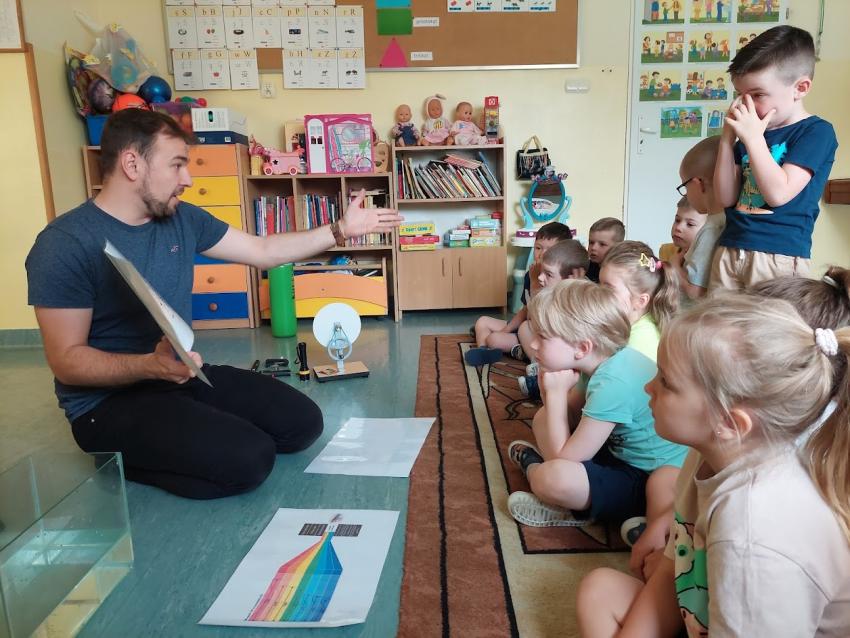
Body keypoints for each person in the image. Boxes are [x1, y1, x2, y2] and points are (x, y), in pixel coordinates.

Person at [25, 109, 402, 500]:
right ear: (132, 164)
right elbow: (66, 361)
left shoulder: (181, 218)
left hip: (180, 376)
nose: (187, 179)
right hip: (105, 406)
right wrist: (149, 366)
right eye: (176, 165)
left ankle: (187, 430)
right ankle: (118, 459)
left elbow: (263, 250)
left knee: (302, 424)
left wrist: (340, 230)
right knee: (251, 460)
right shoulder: (64, 244)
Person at [576, 294, 850, 637]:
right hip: (712, 606)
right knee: (600, 591)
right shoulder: (709, 452)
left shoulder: (753, 536)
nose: (648, 387)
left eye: (666, 382)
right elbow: (675, 563)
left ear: (729, 423)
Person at [505, 280, 688, 528]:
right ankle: (562, 491)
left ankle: (536, 473)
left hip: (650, 482)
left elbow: (565, 460)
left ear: (582, 348)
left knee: (552, 478)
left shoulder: (613, 383)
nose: (533, 344)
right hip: (618, 454)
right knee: (542, 419)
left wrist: (556, 395)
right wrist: (551, 394)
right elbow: (569, 416)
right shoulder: (599, 361)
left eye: (543, 337)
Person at [711, 25, 838, 291]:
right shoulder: (752, 134)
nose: (746, 105)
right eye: (740, 95)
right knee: (717, 319)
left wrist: (753, 139)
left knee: (770, 320)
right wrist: (726, 140)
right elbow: (725, 198)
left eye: (757, 95)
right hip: (731, 247)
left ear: (800, 88)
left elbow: (778, 193)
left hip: (778, 255)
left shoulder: (816, 132)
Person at [466, 222, 572, 367]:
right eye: (538, 248)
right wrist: (506, 329)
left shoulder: (559, 280)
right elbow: (525, 310)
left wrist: (534, 283)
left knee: (494, 339)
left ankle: (522, 352)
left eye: (550, 250)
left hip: (539, 333)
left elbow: (538, 318)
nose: (542, 254)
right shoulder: (531, 274)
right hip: (525, 325)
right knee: (482, 322)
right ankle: (484, 351)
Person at [516, 238, 589, 398]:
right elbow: (533, 319)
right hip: (556, 352)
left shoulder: (581, 301)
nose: (541, 278)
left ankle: (545, 380)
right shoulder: (555, 291)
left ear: (572, 276)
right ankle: (538, 367)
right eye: (541, 272)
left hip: (572, 359)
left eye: (548, 274)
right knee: (525, 327)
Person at [667, 136, 725, 301]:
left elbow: (696, 292)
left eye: (684, 187)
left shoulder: (711, 230)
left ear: (699, 184)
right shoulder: (726, 221)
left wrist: (674, 266)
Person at [657, 196, 705, 263]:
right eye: (677, 220)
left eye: (690, 224)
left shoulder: (711, 259)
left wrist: (675, 267)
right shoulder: (666, 251)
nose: (678, 227)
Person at [585, 217, 625, 283]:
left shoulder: (623, 272)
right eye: (591, 242)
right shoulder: (585, 268)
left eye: (602, 244)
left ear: (617, 247)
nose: (593, 248)